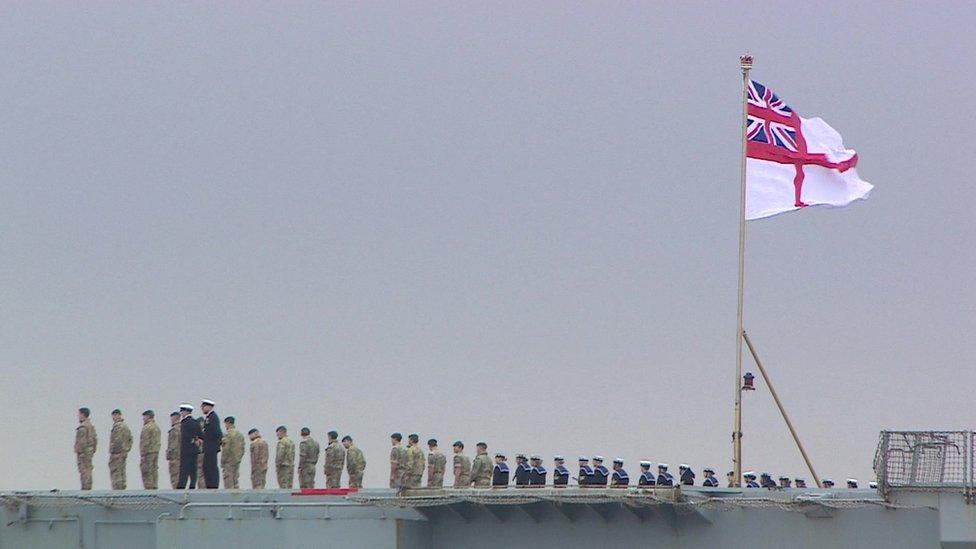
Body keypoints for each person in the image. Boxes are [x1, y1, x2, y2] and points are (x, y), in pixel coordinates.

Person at [177, 404, 202, 489]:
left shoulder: (184, 423)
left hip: (186, 450)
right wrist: (197, 441)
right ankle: (192, 485)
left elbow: (185, 435)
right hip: (194, 450)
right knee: (193, 469)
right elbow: (201, 435)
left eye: (182, 412)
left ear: (185, 412)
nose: (181, 414)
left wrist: (192, 440)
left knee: (184, 469)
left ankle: (181, 486)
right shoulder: (195, 422)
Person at [200, 400, 222, 489]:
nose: (202, 409)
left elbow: (217, 432)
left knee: (211, 466)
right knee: (207, 466)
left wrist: (213, 444)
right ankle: (209, 484)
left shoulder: (213, 417)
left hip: (211, 447)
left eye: (203, 407)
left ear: (209, 407)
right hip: (209, 446)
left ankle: (213, 485)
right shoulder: (208, 418)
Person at [109, 409, 133, 490]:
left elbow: (117, 440)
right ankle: (122, 488)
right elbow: (130, 439)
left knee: (117, 473)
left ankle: (118, 490)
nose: (114, 418)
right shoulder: (125, 426)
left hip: (117, 454)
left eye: (115, 415)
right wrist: (126, 449)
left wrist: (116, 452)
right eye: (113, 416)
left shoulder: (118, 427)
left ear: (119, 415)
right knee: (122, 472)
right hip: (123, 454)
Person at [75, 407, 98, 490]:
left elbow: (82, 442)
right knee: (88, 471)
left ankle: (85, 489)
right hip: (89, 452)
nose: (78, 416)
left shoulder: (83, 427)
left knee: (84, 472)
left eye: (79, 414)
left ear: (82, 414)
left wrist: (82, 453)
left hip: (84, 454)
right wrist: (92, 451)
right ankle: (88, 488)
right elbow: (95, 440)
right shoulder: (91, 426)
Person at [220, 416, 246, 489]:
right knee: (236, 480)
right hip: (237, 460)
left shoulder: (228, 434)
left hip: (228, 461)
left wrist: (223, 461)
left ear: (228, 423)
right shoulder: (240, 435)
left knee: (228, 480)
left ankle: (230, 498)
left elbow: (226, 449)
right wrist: (239, 458)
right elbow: (243, 448)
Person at [139, 410, 161, 490]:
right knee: (154, 471)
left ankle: (149, 489)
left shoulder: (146, 428)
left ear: (148, 417)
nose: (143, 419)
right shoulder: (156, 427)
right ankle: (154, 488)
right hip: (155, 452)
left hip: (147, 453)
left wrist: (142, 454)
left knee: (147, 472)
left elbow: (145, 442)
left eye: (144, 417)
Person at [166, 412, 181, 489]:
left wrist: (169, 455)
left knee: (175, 477)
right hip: (182, 457)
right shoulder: (183, 428)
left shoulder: (174, 430)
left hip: (175, 457)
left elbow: (173, 446)